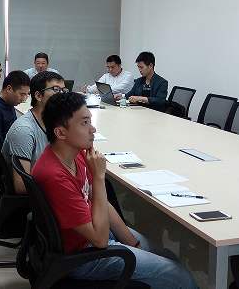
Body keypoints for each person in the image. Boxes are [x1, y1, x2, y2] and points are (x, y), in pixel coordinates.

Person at [32, 92, 197, 289]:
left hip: (92, 232)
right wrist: (99, 177)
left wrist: (133, 244)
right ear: (60, 133)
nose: (93, 129)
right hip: (82, 256)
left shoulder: (75, 153)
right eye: (84, 123)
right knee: (178, 275)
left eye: (90, 121)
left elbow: (101, 203)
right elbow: (100, 240)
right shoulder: (55, 175)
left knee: (166, 255)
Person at [2, 71, 66, 194]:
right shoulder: (24, 130)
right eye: (56, 90)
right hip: (41, 196)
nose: (62, 95)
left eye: (64, 90)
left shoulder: (55, 122)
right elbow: (21, 185)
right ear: (38, 96)